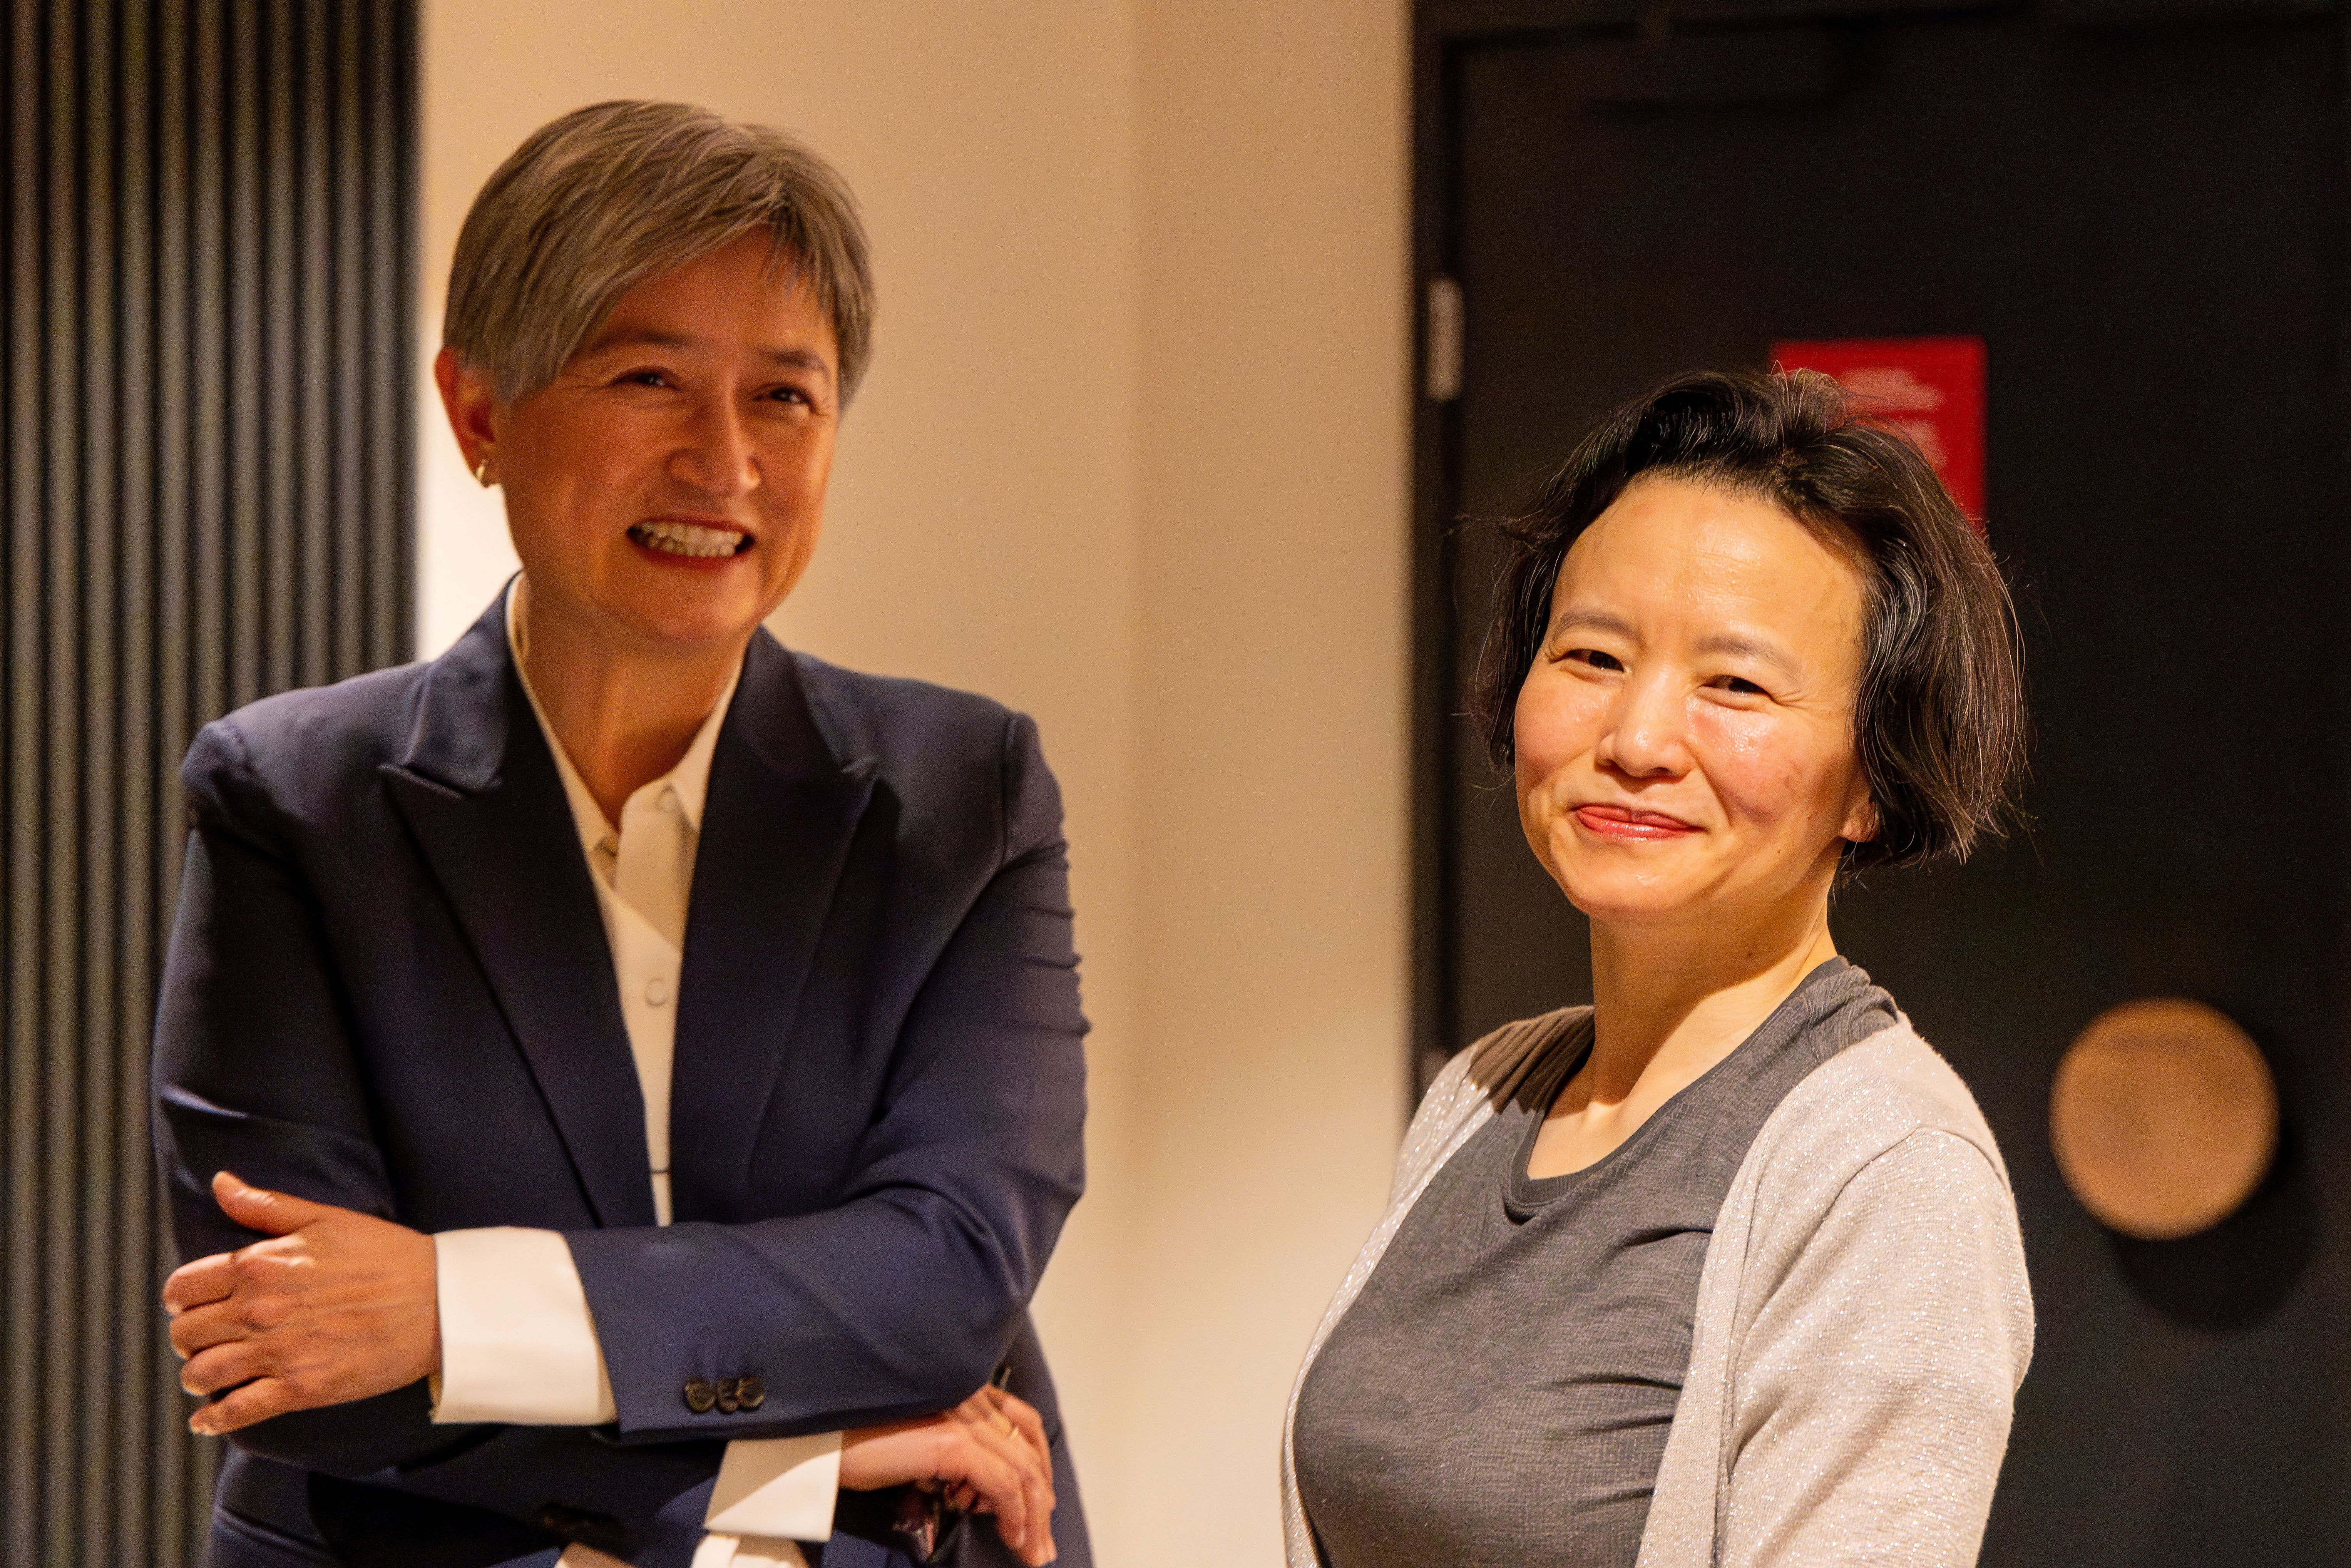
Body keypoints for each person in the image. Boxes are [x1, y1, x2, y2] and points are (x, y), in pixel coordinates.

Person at [153, 100, 1088, 1568]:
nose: (723, 462)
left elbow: (950, 1271)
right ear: (480, 413)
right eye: (651, 377)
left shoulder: (960, 794)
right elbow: (284, 1341)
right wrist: (782, 1459)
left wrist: (453, 1308)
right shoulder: (298, 800)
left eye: (784, 395)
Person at [1283, 370, 2035, 1567]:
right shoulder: (1484, 1091)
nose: (1634, 740)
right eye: (1590, 655)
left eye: (1733, 683)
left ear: (1872, 780)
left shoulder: (1888, 1175)